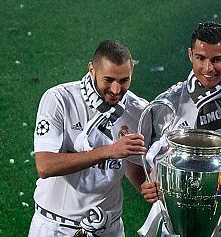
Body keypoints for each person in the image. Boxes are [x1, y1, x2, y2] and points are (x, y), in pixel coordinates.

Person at [129, 22, 221, 237]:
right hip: (177, 223)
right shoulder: (168, 105)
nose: (208, 68)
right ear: (190, 55)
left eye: (217, 59)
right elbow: (148, 157)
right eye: (201, 58)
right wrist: (148, 184)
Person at [29, 40, 147, 237]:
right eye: (108, 80)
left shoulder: (138, 110)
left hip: (109, 230)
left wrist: (146, 187)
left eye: (124, 80)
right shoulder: (59, 99)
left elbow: (133, 164)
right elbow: (45, 166)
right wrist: (109, 151)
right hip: (56, 228)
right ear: (92, 69)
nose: (116, 90)